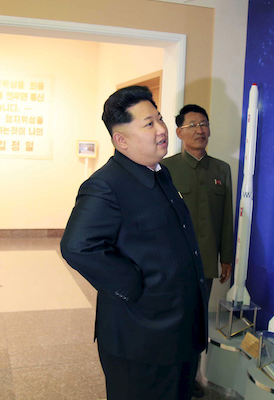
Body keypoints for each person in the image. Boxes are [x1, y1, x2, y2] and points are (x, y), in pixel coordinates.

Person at [61, 86, 208, 400]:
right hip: (142, 339)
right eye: (148, 124)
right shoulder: (106, 185)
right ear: (121, 140)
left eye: (159, 119)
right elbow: (77, 246)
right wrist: (133, 285)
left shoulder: (160, 174)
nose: (162, 130)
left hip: (177, 332)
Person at [161, 104, 234, 397]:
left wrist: (226, 257)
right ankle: (168, 377)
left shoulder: (221, 169)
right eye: (192, 125)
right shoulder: (165, 168)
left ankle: (191, 378)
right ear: (179, 132)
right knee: (172, 321)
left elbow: (227, 217)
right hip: (172, 264)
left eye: (204, 124)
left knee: (196, 323)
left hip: (204, 264)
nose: (200, 130)